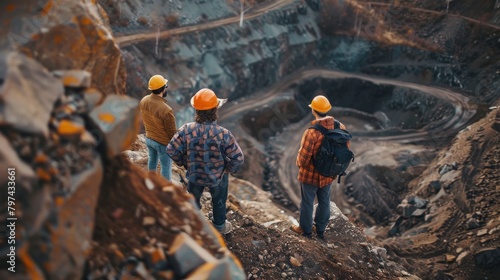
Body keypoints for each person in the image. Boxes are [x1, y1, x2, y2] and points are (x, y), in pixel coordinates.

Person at [166, 88, 244, 234]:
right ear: (215, 110)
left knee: (193, 200)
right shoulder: (224, 134)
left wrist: (184, 162)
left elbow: (171, 150)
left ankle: (193, 223)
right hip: (217, 177)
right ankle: (219, 226)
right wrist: (228, 169)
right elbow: (238, 158)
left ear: (196, 111)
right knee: (219, 202)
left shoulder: (186, 130)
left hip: (195, 175)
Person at [291, 95, 350, 239]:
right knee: (324, 201)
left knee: (307, 202)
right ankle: (321, 229)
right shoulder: (340, 127)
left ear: (313, 110)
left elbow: (304, 158)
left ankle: (306, 230)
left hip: (310, 176)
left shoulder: (312, 132)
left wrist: (299, 164)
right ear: (328, 109)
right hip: (328, 174)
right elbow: (345, 149)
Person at [139, 74, 177, 181]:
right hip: (162, 144)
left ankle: (151, 181)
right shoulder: (166, 110)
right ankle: (166, 190)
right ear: (163, 89)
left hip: (149, 138)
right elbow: (172, 133)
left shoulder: (144, 100)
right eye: (166, 86)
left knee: (152, 160)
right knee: (165, 167)